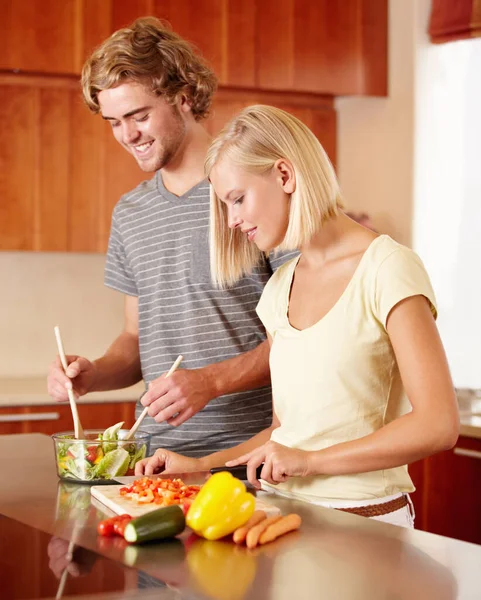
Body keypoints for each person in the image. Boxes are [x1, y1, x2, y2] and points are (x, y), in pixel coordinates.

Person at [137, 104, 460, 527]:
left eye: (237, 199)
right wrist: (198, 465)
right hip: (283, 516)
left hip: (365, 523)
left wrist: (308, 461)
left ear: (285, 176)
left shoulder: (387, 267)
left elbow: (438, 424)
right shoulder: (280, 286)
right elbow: (284, 434)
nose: (232, 221)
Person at [47, 19, 295, 456]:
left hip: (256, 454)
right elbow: (134, 341)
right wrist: (93, 374)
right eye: (114, 122)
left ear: (184, 97)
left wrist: (210, 382)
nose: (128, 136)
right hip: (159, 458)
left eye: (139, 116)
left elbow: (302, 333)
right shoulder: (130, 213)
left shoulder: (253, 191)